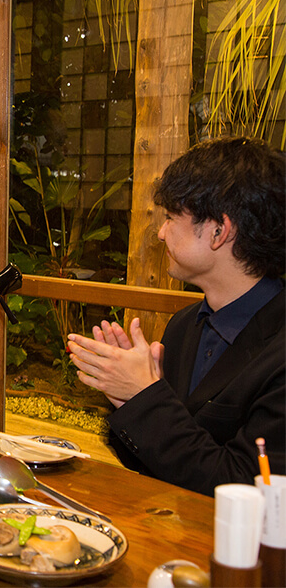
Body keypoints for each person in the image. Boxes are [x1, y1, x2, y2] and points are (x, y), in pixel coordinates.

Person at [67, 136, 285, 496]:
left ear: (219, 231)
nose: (161, 232)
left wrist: (145, 397)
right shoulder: (185, 326)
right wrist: (127, 398)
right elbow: (159, 461)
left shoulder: (278, 351)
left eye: (170, 218)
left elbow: (245, 490)